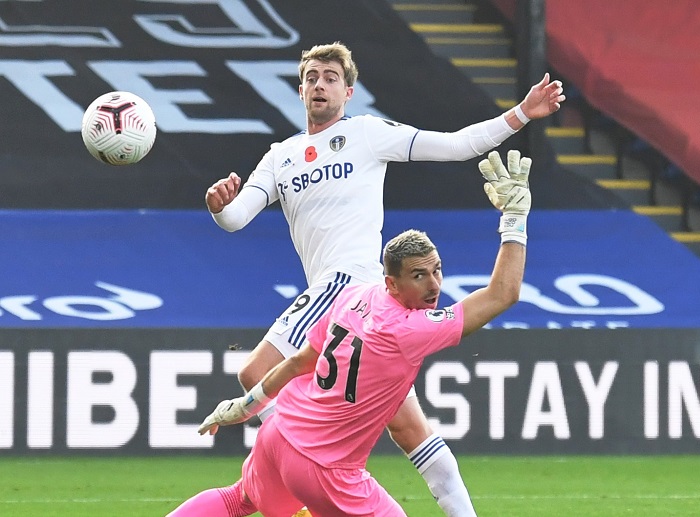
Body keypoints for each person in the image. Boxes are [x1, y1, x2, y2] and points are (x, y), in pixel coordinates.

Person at [200, 41, 563, 516]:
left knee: (254, 371)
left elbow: (455, 145)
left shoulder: (367, 134)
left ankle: (293, 479)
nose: (319, 85)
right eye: (311, 77)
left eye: (330, 77)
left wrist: (521, 114)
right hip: (365, 306)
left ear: (348, 92)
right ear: (301, 88)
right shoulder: (281, 157)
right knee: (409, 428)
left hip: (350, 283)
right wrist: (220, 205)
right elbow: (236, 219)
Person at [168, 148, 533, 516]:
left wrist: (245, 407)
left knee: (239, 500)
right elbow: (502, 294)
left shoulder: (353, 296)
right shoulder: (409, 329)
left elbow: (298, 362)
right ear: (391, 283)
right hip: (327, 469)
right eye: (419, 276)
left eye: (437, 270)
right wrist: (514, 220)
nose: (434, 285)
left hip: (279, 435)